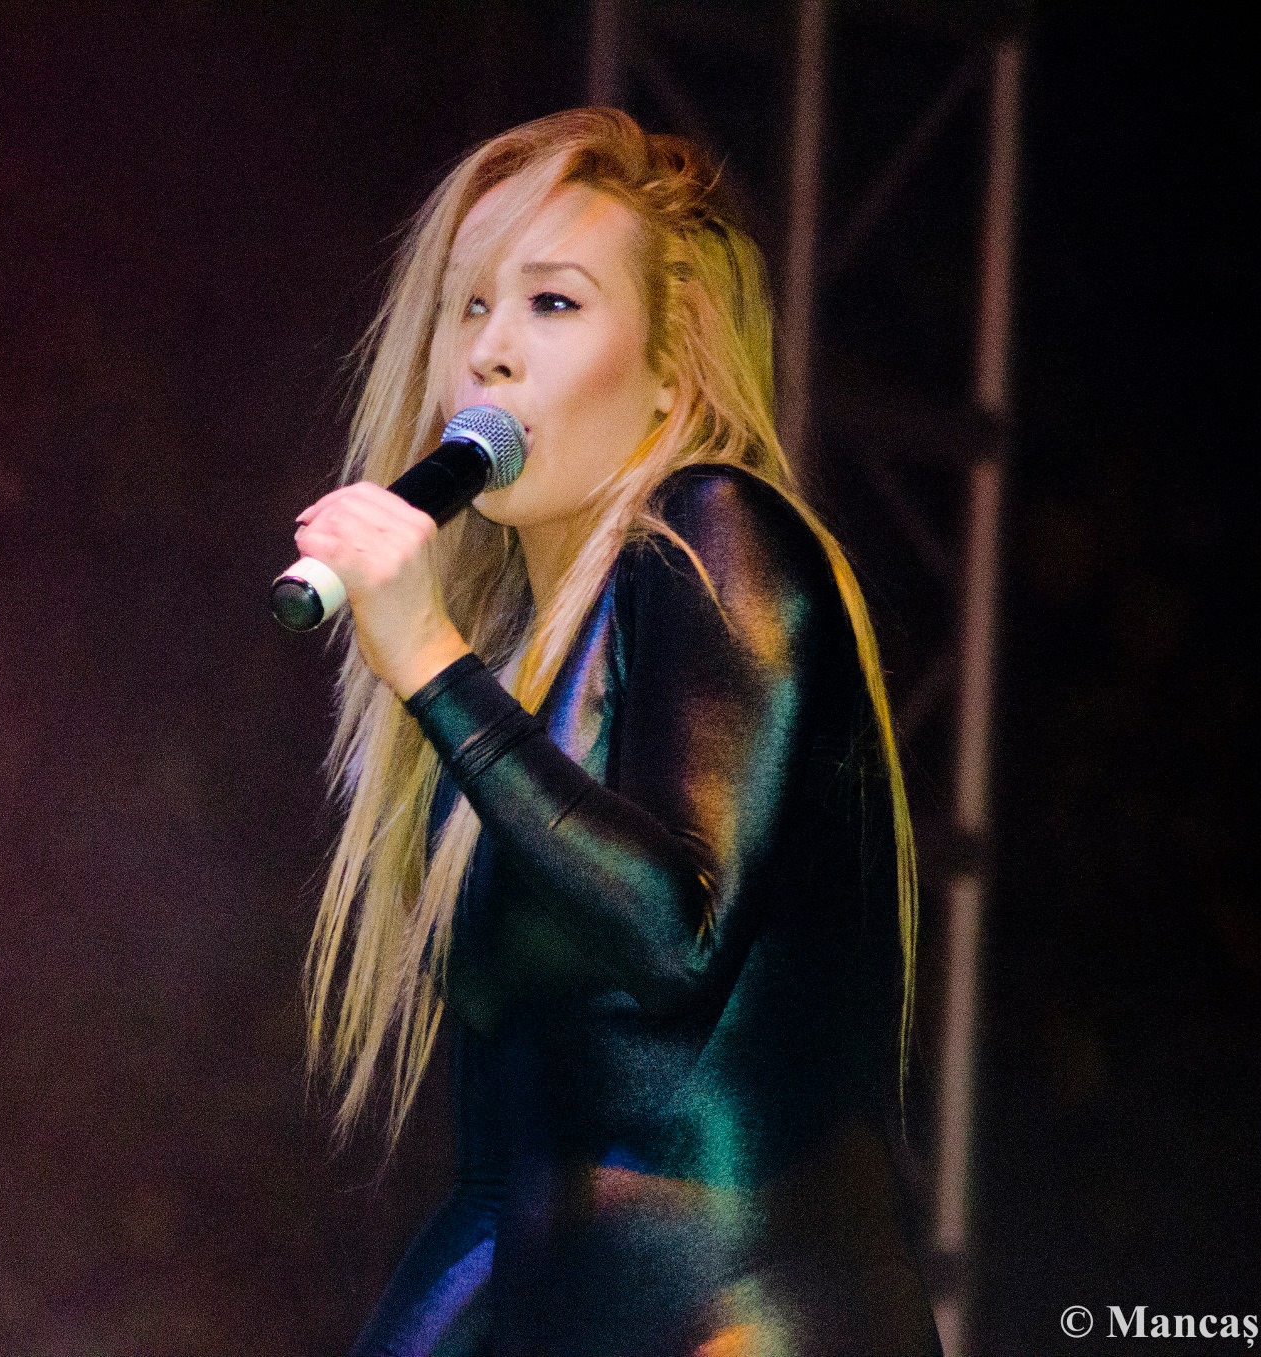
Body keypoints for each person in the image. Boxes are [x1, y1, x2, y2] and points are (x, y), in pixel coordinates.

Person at [295, 107, 944, 1357]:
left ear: (667, 367)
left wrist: (428, 660)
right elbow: (508, 1173)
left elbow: (668, 928)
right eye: (468, 306)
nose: (489, 352)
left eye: (552, 304)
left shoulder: (716, 532)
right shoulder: (509, 681)